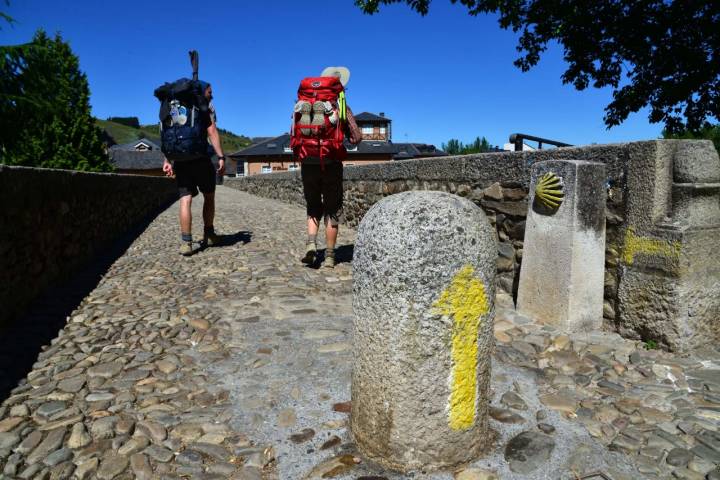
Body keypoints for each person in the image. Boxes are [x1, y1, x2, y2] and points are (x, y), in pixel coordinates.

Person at [298, 66, 362, 269]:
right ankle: (330, 256)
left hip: (308, 161)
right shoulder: (341, 104)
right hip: (332, 162)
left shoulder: (306, 100)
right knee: (332, 209)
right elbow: (356, 137)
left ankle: (311, 243)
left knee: (313, 206)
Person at [162, 82, 226, 256]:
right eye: (210, 91)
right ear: (203, 90)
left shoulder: (173, 104)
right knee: (209, 196)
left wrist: (167, 159)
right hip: (201, 158)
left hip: (181, 159)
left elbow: (170, 132)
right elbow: (211, 131)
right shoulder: (204, 104)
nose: (212, 95)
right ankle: (209, 234)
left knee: (185, 199)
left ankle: (187, 243)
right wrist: (221, 156)